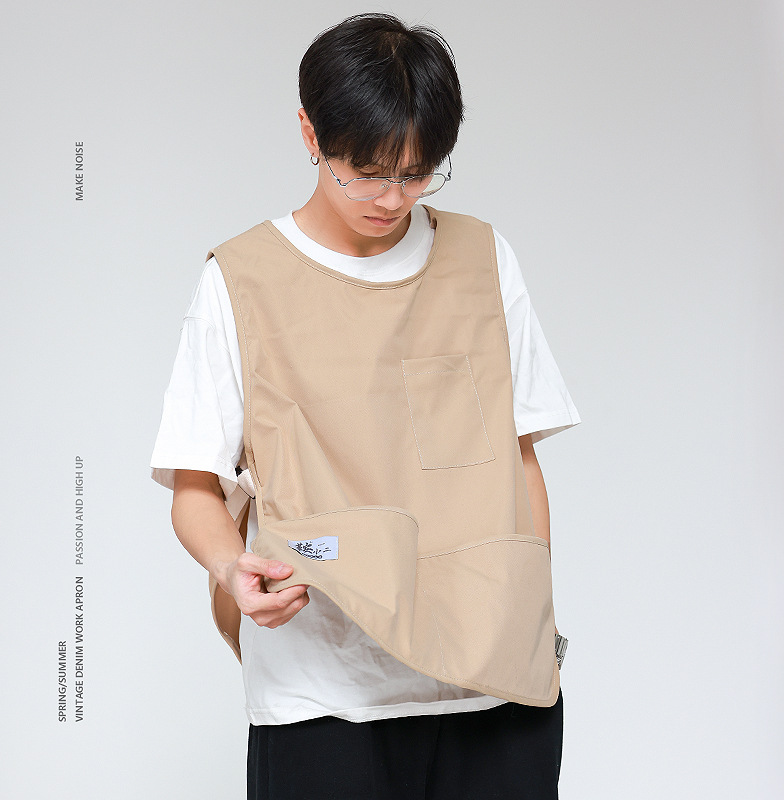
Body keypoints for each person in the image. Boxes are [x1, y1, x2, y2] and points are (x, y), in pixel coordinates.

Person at [151, 12, 581, 800]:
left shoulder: (482, 259)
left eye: (418, 174)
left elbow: (520, 461)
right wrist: (229, 567)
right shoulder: (240, 282)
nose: (391, 197)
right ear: (310, 134)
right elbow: (194, 488)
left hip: (493, 688)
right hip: (323, 692)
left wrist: (531, 620)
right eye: (367, 171)